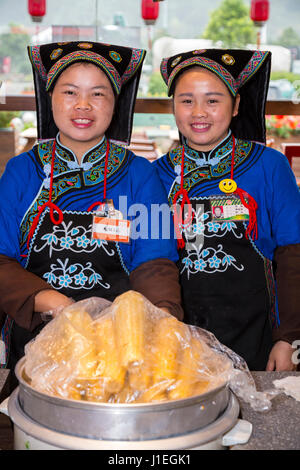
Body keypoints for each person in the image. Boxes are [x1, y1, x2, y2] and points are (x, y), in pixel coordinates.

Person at [0, 41, 182, 377]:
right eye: (70, 92)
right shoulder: (21, 171)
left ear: (115, 105)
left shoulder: (139, 173)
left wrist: (164, 324)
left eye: (98, 94)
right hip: (36, 344)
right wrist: (59, 305)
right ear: (49, 99)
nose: (83, 105)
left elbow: (156, 261)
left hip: (119, 348)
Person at [153, 49, 300, 371]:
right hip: (180, 338)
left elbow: (293, 253)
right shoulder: (154, 175)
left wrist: (288, 337)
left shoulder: (268, 166)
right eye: (187, 100)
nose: (199, 112)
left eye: (213, 100)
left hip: (257, 332)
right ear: (173, 107)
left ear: (235, 106)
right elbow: (148, 264)